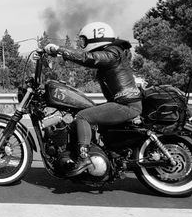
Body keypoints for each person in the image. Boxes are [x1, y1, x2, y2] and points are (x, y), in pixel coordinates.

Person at [43, 21, 142, 176]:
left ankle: (84, 158)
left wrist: (60, 50)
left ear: (96, 37)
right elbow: (88, 59)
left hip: (126, 104)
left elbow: (89, 58)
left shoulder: (113, 52)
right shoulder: (113, 52)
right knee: (84, 111)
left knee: (83, 116)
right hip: (122, 102)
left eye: (84, 40)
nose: (83, 44)